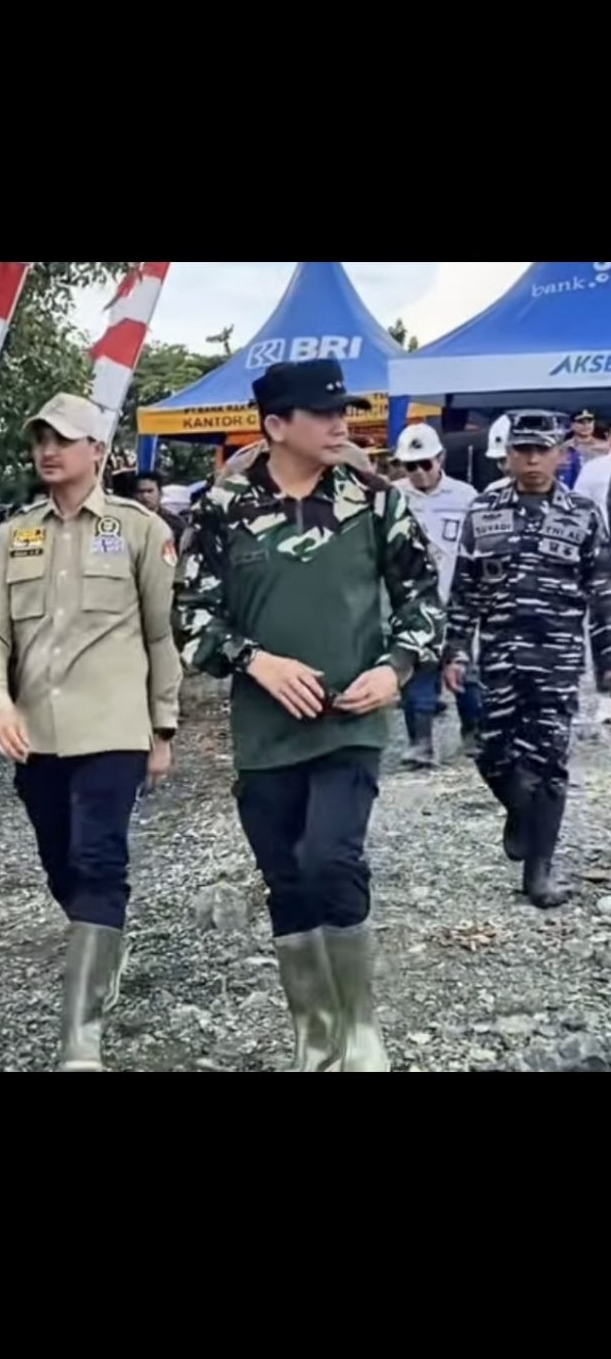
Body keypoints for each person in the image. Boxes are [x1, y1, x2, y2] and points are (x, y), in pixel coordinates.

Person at [176, 359, 444, 1073]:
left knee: (330, 859)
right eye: (323, 413)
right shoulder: (222, 508)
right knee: (287, 879)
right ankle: (315, 1037)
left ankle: (361, 1031)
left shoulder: (374, 498)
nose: (340, 424)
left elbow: (422, 598)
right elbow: (191, 616)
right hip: (264, 735)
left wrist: (395, 667)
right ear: (275, 425)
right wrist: (255, 660)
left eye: (342, 411)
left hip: (349, 723)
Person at [0, 393, 181, 1071]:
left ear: (98, 450)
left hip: (114, 729)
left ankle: (80, 1036)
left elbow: (161, 634)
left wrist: (163, 725)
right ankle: (103, 941)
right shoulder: (13, 535)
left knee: (97, 858)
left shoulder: (140, 529)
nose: (48, 451)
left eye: (62, 439)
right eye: (40, 440)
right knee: (61, 864)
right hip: (36, 734)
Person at [443, 412, 611, 907]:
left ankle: (539, 873)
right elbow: (466, 588)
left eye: (542, 450)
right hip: (499, 657)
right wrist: (455, 649)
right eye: (523, 450)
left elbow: (603, 595)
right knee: (491, 751)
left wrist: (607, 661)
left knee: (550, 762)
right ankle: (520, 813)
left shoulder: (583, 514)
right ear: (509, 455)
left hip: (557, 660)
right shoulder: (483, 510)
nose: (532, 459)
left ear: (562, 454)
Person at [392, 423, 481, 766]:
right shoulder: (392, 497)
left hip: (456, 596)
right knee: (416, 671)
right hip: (411, 599)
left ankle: (474, 733)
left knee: (465, 670)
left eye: (425, 463)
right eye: (410, 465)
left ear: (440, 459)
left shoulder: (465, 496)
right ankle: (421, 742)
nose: (418, 472)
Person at [134, 471, 185, 538]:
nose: (145, 496)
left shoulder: (175, 523)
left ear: (160, 493)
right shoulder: (129, 521)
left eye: (150, 491)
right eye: (140, 491)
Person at [558, 410, 598, 488]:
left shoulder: (604, 447)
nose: (586, 426)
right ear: (572, 425)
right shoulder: (564, 448)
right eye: (581, 422)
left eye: (589, 422)